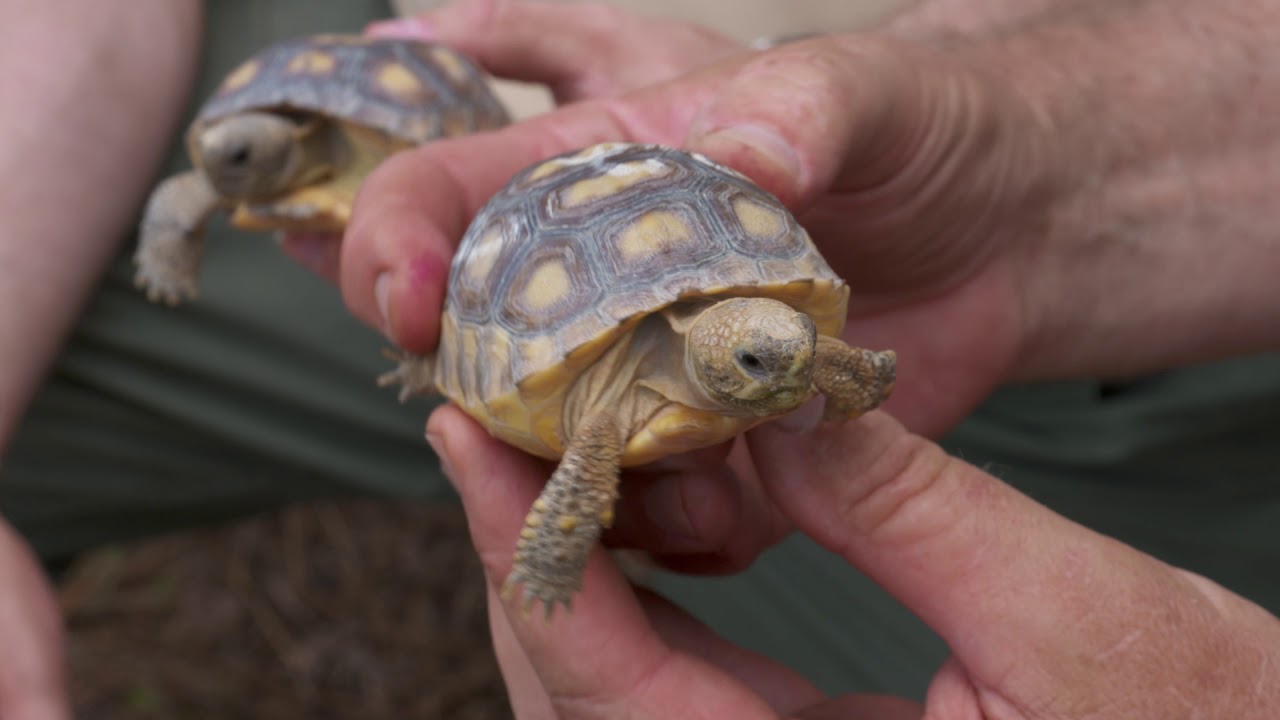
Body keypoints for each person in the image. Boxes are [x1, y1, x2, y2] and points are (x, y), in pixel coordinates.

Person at [2, 0, 1278, 718]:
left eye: (778, 366)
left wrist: (853, 355)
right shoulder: (647, 373)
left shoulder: (774, 349)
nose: (785, 378)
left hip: (1159, 331)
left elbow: (796, 360)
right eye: (763, 368)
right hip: (479, 137)